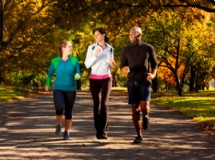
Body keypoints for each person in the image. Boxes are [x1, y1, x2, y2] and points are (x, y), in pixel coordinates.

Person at [120, 26, 158, 144]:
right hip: (131, 82)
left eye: (133, 34)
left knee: (143, 106)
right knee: (134, 110)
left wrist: (153, 75)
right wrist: (124, 70)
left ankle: (146, 116)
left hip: (144, 81)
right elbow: (122, 67)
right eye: (129, 34)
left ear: (139, 35)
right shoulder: (125, 49)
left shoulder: (148, 48)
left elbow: (155, 64)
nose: (130, 36)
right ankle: (139, 135)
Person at [45, 40, 81, 140]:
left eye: (71, 46)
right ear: (63, 48)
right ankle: (59, 124)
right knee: (59, 107)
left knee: (68, 112)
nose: (71, 48)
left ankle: (67, 131)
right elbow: (50, 74)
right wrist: (47, 83)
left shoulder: (74, 60)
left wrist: (77, 76)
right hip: (58, 88)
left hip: (71, 89)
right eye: (70, 46)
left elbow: (78, 73)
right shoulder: (55, 61)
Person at [84, 27, 115, 139]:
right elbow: (87, 65)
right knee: (96, 104)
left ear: (103, 35)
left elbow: (110, 63)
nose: (96, 36)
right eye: (94, 35)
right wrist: (95, 55)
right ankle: (98, 130)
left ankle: (104, 131)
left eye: (97, 34)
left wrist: (112, 64)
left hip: (107, 78)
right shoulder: (91, 48)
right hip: (94, 79)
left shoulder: (110, 48)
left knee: (104, 104)